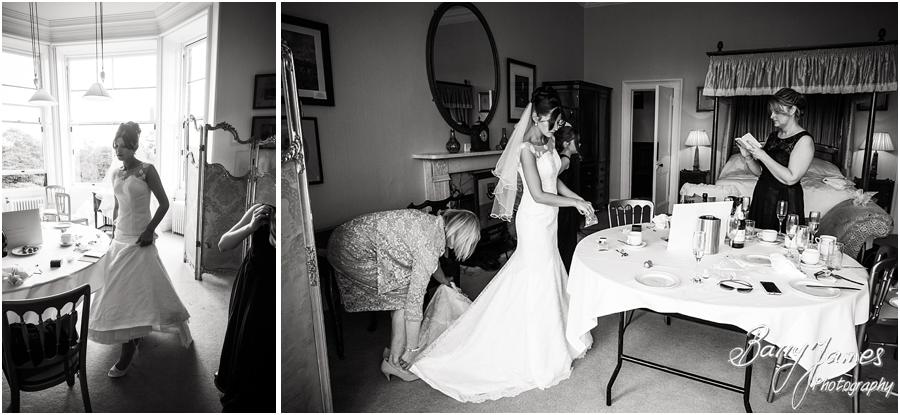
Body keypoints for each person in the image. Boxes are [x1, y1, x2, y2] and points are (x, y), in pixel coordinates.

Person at [410, 86, 594, 402]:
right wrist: (573, 205)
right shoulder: (524, 150)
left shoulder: (549, 142)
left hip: (548, 220)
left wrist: (580, 199)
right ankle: (535, 351)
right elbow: (538, 194)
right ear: (536, 117)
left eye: (557, 121)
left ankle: (554, 337)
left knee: (547, 274)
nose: (554, 127)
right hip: (534, 221)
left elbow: (554, 182)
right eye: (551, 121)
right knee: (536, 278)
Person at [88, 122, 192, 378]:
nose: (118, 150)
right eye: (116, 145)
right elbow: (117, 205)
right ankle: (133, 333)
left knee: (132, 295)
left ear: (134, 146)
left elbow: (164, 204)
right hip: (119, 239)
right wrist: (113, 231)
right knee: (118, 293)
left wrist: (149, 230)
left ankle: (128, 350)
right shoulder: (116, 173)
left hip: (139, 240)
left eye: (124, 146)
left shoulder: (147, 170)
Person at [326, 208, 481, 381]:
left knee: (403, 291)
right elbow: (414, 301)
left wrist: (444, 281)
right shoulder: (429, 245)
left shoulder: (432, 224)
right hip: (351, 252)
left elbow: (432, 262)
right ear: (457, 232)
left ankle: (395, 351)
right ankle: (394, 362)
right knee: (405, 298)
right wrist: (412, 350)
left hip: (343, 237)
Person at [215, 203, 276, 412]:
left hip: (274, 287)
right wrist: (250, 227)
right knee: (245, 335)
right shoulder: (262, 210)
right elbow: (223, 244)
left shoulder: (293, 220)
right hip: (252, 284)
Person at [743, 88, 814, 231]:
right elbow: (761, 172)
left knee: (781, 241)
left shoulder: (804, 140)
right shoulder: (773, 136)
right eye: (771, 112)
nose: (772, 116)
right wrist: (748, 156)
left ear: (792, 110)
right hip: (762, 195)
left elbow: (791, 178)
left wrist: (763, 155)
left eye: (776, 111)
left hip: (784, 201)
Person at [554, 125, 582, 271]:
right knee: (566, 239)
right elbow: (551, 180)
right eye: (576, 141)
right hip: (564, 208)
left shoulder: (569, 158)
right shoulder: (564, 160)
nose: (579, 144)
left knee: (568, 238)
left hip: (569, 205)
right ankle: (566, 269)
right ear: (566, 144)